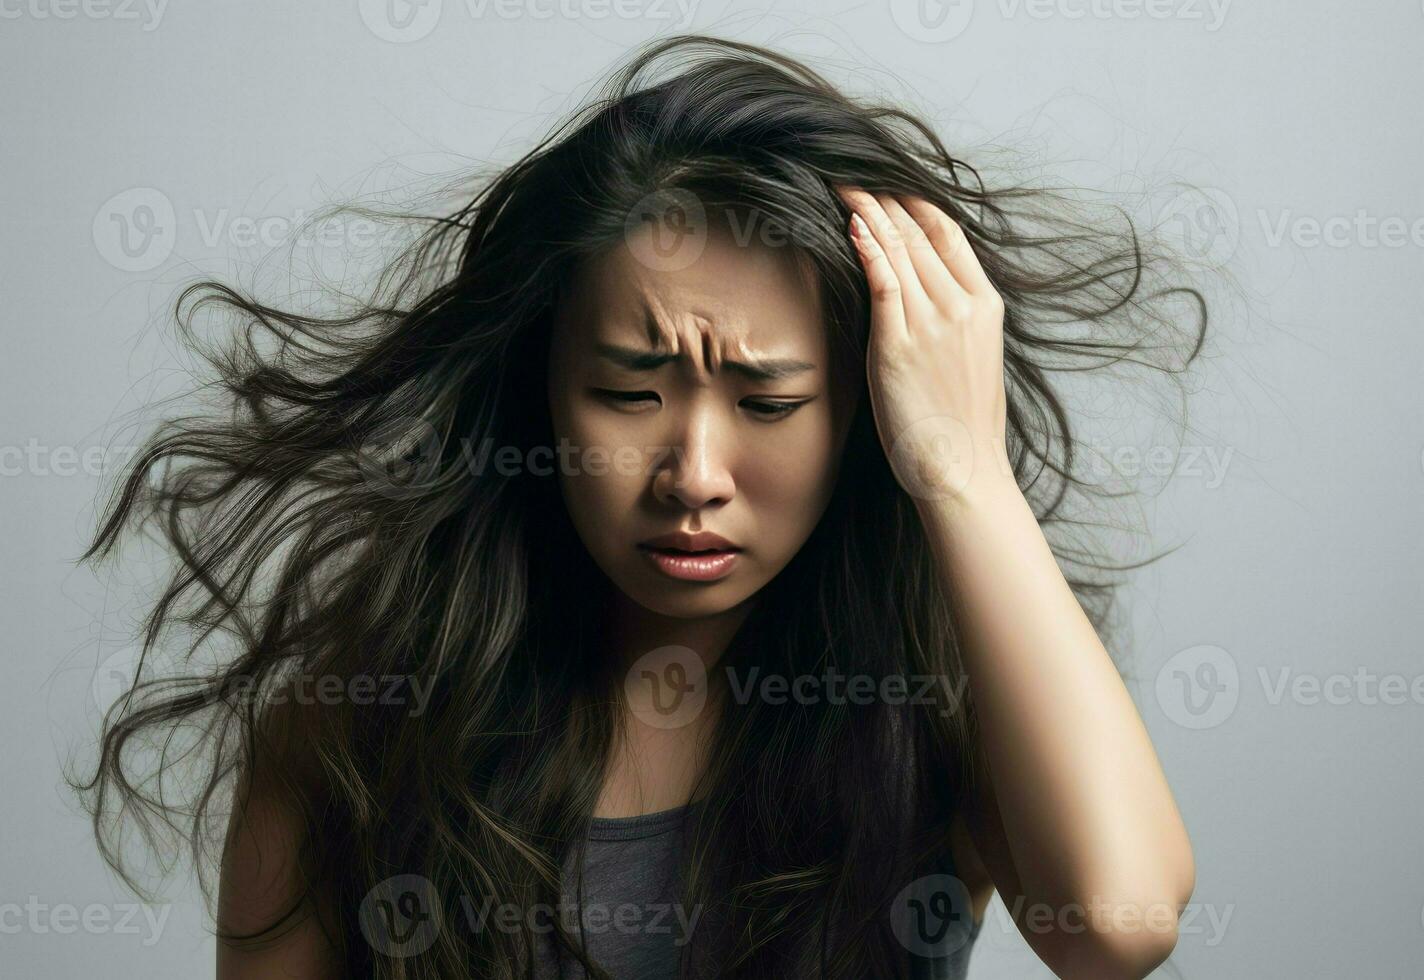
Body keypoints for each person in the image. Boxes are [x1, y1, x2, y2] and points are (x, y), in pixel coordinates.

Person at [75, 34, 1203, 979]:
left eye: (769, 401)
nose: (694, 473)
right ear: (539, 387)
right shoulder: (353, 734)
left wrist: (964, 468)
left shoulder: (937, 697)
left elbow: (1120, 923)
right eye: (627, 393)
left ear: (865, 412)